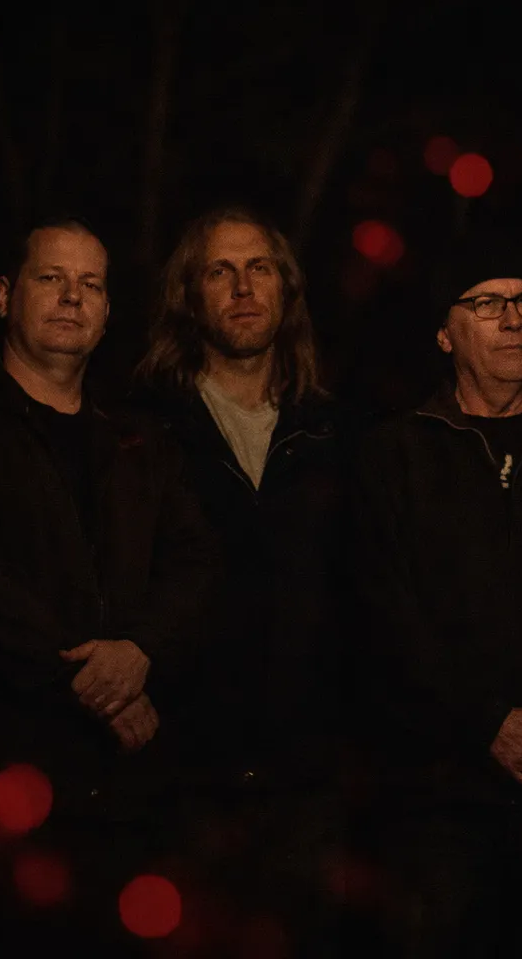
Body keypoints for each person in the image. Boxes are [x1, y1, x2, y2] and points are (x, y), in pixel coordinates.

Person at [0, 217, 215, 950]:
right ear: (4, 295)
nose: (73, 297)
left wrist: (141, 651)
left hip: (127, 801)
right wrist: (91, 677)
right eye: (52, 279)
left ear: (108, 310)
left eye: (91, 284)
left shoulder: (139, 444)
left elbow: (196, 564)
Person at [355, 236, 522, 958]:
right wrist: (487, 721)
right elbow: (381, 615)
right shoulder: (394, 454)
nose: (511, 319)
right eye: (486, 303)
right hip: (439, 798)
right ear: (446, 333)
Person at [133, 206, 349, 953]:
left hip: (313, 770)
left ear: (286, 289)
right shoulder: (142, 429)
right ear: (189, 295)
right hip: (182, 763)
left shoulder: (337, 432)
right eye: (218, 271)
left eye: (258, 267)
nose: (242, 287)